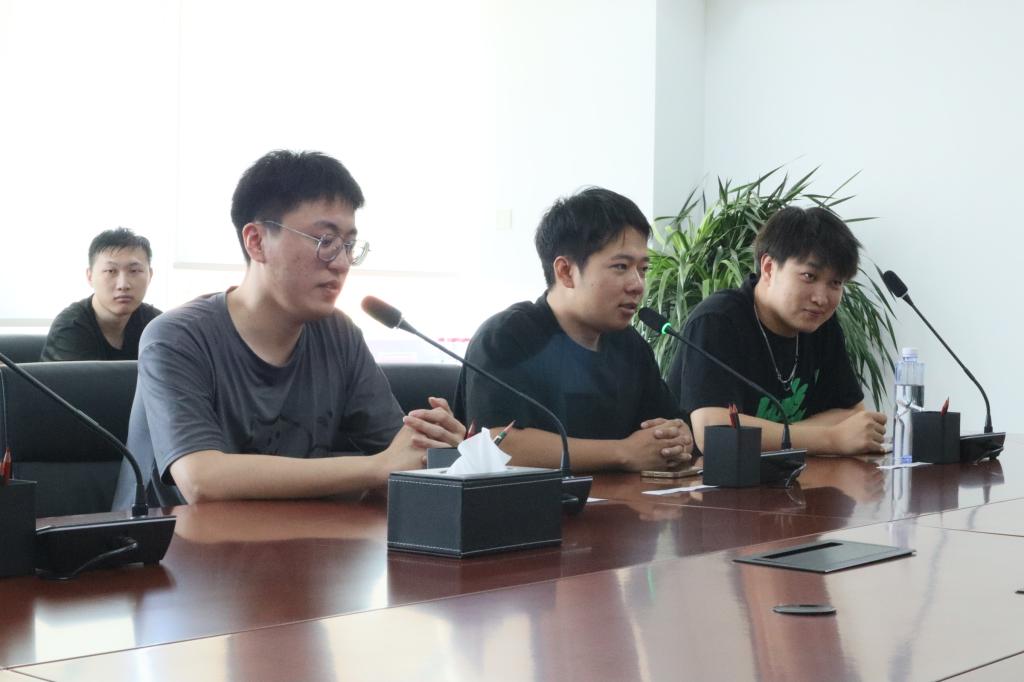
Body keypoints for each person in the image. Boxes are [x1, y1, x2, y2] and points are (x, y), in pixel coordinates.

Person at [113, 150, 463, 508]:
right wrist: (376, 468)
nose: (342, 263)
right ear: (256, 241)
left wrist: (434, 450)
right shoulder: (176, 337)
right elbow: (202, 480)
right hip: (168, 541)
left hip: (298, 538)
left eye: (348, 246)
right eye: (325, 241)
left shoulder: (339, 335)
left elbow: (397, 462)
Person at [454, 187, 692, 472]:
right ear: (565, 272)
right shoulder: (506, 337)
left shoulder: (629, 345)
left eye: (643, 269)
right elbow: (497, 443)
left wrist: (678, 436)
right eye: (620, 266)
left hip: (618, 499)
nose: (637, 285)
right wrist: (622, 452)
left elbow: (667, 423)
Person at [668, 205, 887, 456]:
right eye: (809, 276)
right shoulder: (717, 320)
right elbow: (715, 433)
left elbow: (851, 414)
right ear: (769, 268)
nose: (821, 298)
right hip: (707, 477)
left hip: (790, 475)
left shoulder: (820, 325)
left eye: (835, 283)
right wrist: (829, 438)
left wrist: (783, 437)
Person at [40, 228, 161, 361]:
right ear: (90, 276)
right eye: (110, 271)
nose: (123, 285)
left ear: (150, 275)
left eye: (134, 271)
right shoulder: (70, 327)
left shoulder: (157, 324)